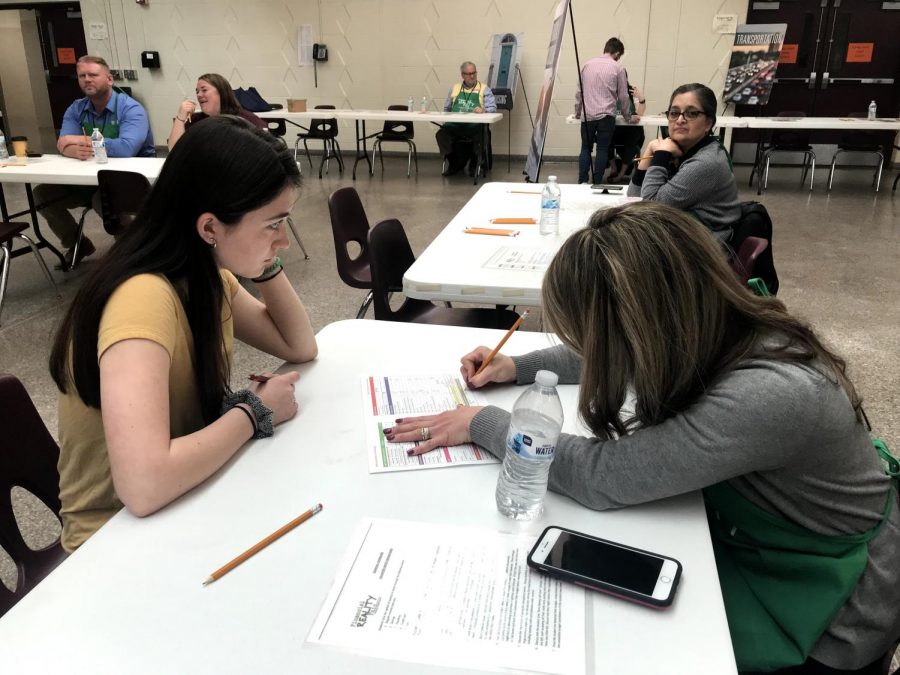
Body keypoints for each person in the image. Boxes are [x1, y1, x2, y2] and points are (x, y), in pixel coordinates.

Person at [384, 202, 900, 675]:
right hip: (759, 533)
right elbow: (610, 347)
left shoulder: (768, 395)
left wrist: (482, 423)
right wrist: (517, 367)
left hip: (832, 604)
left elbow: (604, 476)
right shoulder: (712, 320)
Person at [48, 116, 318, 552]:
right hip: (111, 544)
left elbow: (298, 346)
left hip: (182, 502)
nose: (284, 240)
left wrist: (264, 255)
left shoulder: (205, 276)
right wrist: (253, 412)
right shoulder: (143, 297)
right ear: (209, 228)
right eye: (273, 224)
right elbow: (143, 485)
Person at [34, 55, 156, 267]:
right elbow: (63, 143)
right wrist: (70, 147)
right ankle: (77, 243)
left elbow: (127, 148)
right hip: (87, 178)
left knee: (104, 199)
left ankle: (133, 251)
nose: (87, 79)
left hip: (130, 181)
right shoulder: (76, 108)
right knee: (42, 195)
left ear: (109, 79)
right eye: (82, 76)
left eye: (93, 75)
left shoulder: (131, 109)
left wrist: (79, 141)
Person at [627, 82, 740, 240]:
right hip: (686, 235)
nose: (680, 120)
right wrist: (651, 149)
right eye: (674, 113)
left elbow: (649, 209)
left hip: (705, 250)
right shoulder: (681, 149)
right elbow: (633, 198)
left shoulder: (706, 162)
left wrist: (660, 155)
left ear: (708, 123)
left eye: (691, 113)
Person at [574, 37, 631, 184]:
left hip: (587, 115)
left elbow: (579, 92)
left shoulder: (587, 65)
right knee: (602, 150)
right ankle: (597, 182)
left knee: (585, 148)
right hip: (606, 116)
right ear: (617, 53)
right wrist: (628, 116)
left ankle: (582, 182)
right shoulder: (618, 68)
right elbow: (623, 96)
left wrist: (578, 112)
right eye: (619, 56)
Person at [167, 73, 266, 150]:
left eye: (204, 90)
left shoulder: (246, 119)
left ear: (221, 92)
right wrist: (180, 118)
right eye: (197, 91)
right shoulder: (196, 120)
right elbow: (174, 149)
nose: (199, 95)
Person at [436, 61, 497, 177]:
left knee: (483, 134)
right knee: (441, 134)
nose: (472, 76)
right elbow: (446, 109)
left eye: (474, 73)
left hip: (474, 127)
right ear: (462, 75)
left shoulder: (484, 89)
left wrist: (484, 110)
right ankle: (454, 164)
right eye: (468, 74)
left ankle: (475, 164)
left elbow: (493, 108)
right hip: (454, 126)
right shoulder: (454, 88)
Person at [606, 77, 646, 182]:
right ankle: (614, 169)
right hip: (614, 129)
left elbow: (639, 114)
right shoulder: (607, 90)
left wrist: (641, 99)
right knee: (605, 139)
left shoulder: (632, 91)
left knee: (632, 141)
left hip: (630, 130)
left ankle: (621, 174)